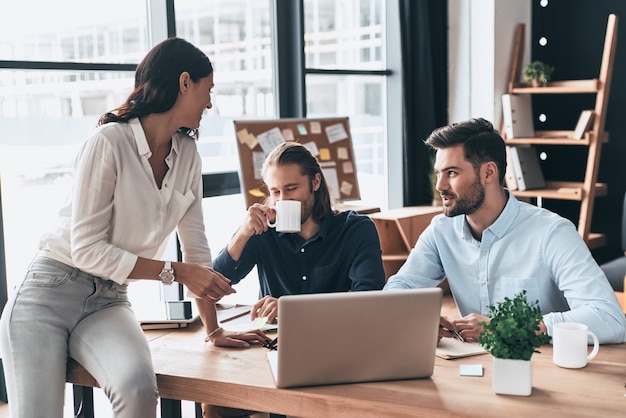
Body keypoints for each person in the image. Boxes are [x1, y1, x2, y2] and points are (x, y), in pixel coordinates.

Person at [0, 37, 268, 418]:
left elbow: (196, 250)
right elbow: (87, 249)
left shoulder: (188, 155)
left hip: (108, 300)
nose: (210, 103)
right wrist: (174, 272)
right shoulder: (109, 141)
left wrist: (213, 330)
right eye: (208, 91)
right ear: (185, 82)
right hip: (48, 293)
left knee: (139, 390)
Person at [384, 117, 625, 345]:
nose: (440, 186)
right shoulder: (441, 231)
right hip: (473, 365)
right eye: (439, 173)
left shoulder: (552, 233)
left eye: (452, 173)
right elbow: (398, 290)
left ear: (489, 173)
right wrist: (418, 318)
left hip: (543, 369)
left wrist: (507, 327)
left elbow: (609, 319)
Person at [196, 141, 386, 418]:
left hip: (337, 352)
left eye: (291, 189)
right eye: (275, 192)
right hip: (276, 353)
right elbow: (213, 287)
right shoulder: (263, 233)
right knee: (215, 405)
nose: (282, 200)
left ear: (315, 182)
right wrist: (243, 233)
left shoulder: (355, 230)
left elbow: (369, 302)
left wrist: (292, 308)